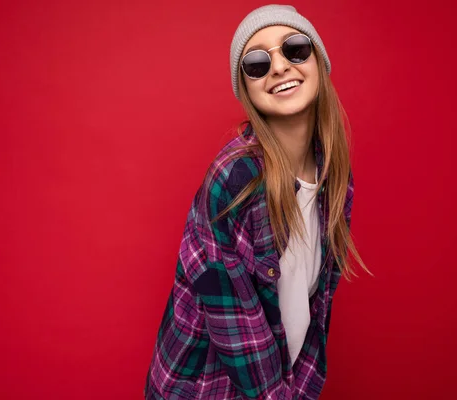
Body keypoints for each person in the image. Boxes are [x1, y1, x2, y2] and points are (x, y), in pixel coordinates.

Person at [144, 4, 369, 399]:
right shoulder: (234, 181)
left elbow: (315, 309)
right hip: (203, 390)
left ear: (318, 60)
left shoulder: (334, 176)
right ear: (246, 89)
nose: (280, 67)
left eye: (295, 48)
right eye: (257, 63)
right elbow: (237, 328)